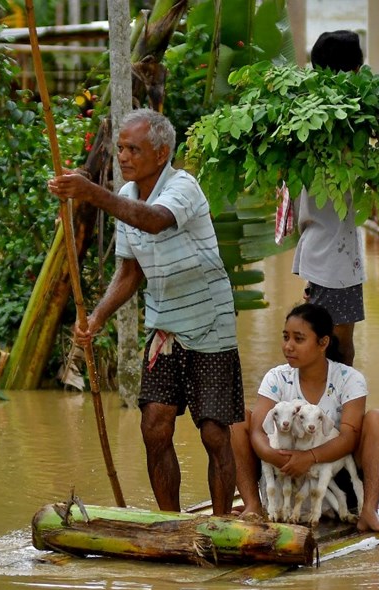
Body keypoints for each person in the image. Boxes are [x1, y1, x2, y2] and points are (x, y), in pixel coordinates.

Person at [47, 109, 243, 515]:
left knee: (213, 432)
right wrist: (96, 318)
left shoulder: (182, 186)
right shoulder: (128, 198)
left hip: (209, 322)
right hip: (165, 326)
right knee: (154, 426)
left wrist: (91, 193)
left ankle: (222, 522)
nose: (123, 156)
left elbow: (154, 221)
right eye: (120, 148)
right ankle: (170, 522)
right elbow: (130, 272)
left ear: (162, 153)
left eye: (133, 149)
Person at [232, 302, 379, 534]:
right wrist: (277, 458)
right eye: (285, 337)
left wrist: (309, 458)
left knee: (378, 420)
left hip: (333, 479)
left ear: (323, 343)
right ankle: (253, 505)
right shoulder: (276, 378)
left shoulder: (349, 379)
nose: (288, 346)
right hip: (282, 477)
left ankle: (368, 510)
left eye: (298, 339)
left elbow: (349, 436)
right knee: (237, 419)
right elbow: (258, 431)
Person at [292, 30, 368, 365]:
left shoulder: (306, 118)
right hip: (333, 256)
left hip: (321, 248)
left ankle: (332, 410)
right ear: (353, 72)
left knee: (327, 343)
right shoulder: (347, 123)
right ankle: (337, 412)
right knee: (338, 346)